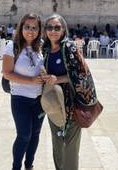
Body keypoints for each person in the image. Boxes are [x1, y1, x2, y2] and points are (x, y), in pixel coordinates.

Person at [41, 13, 97, 170]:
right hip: (53, 105)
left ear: (63, 30)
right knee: (57, 145)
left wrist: (56, 79)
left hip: (71, 105)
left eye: (57, 27)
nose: (53, 31)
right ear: (45, 30)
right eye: (50, 27)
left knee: (70, 149)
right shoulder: (45, 49)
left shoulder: (69, 47)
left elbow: (81, 73)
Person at [2, 14, 44, 170]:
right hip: (20, 99)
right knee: (24, 135)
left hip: (39, 100)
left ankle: (29, 165)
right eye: (27, 27)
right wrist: (31, 81)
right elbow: (7, 73)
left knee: (35, 134)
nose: (30, 31)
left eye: (34, 28)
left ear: (39, 30)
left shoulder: (41, 46)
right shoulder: (12, 47)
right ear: (21, 28)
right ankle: (16, 167)